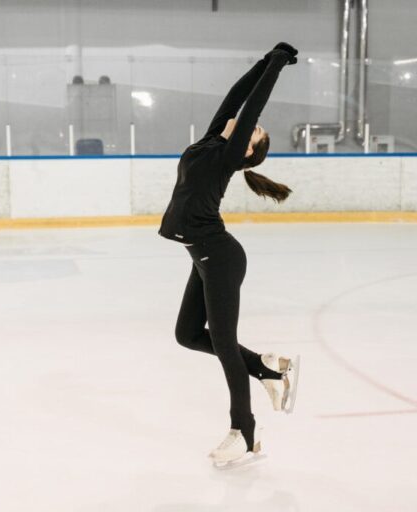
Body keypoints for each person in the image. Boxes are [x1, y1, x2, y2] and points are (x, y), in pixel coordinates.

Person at [159, 42, 301, 469]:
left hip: (219, 257)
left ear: (245, 151)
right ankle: (265, 367)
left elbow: (252, 105)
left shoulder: (225, 154)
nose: (250, 126)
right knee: (187, 335)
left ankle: (244, 432)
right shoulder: (210, 141)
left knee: (221, 342)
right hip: (203, 254)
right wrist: (260, 61)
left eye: (254, 132)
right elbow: (235, 100)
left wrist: (276, 66)